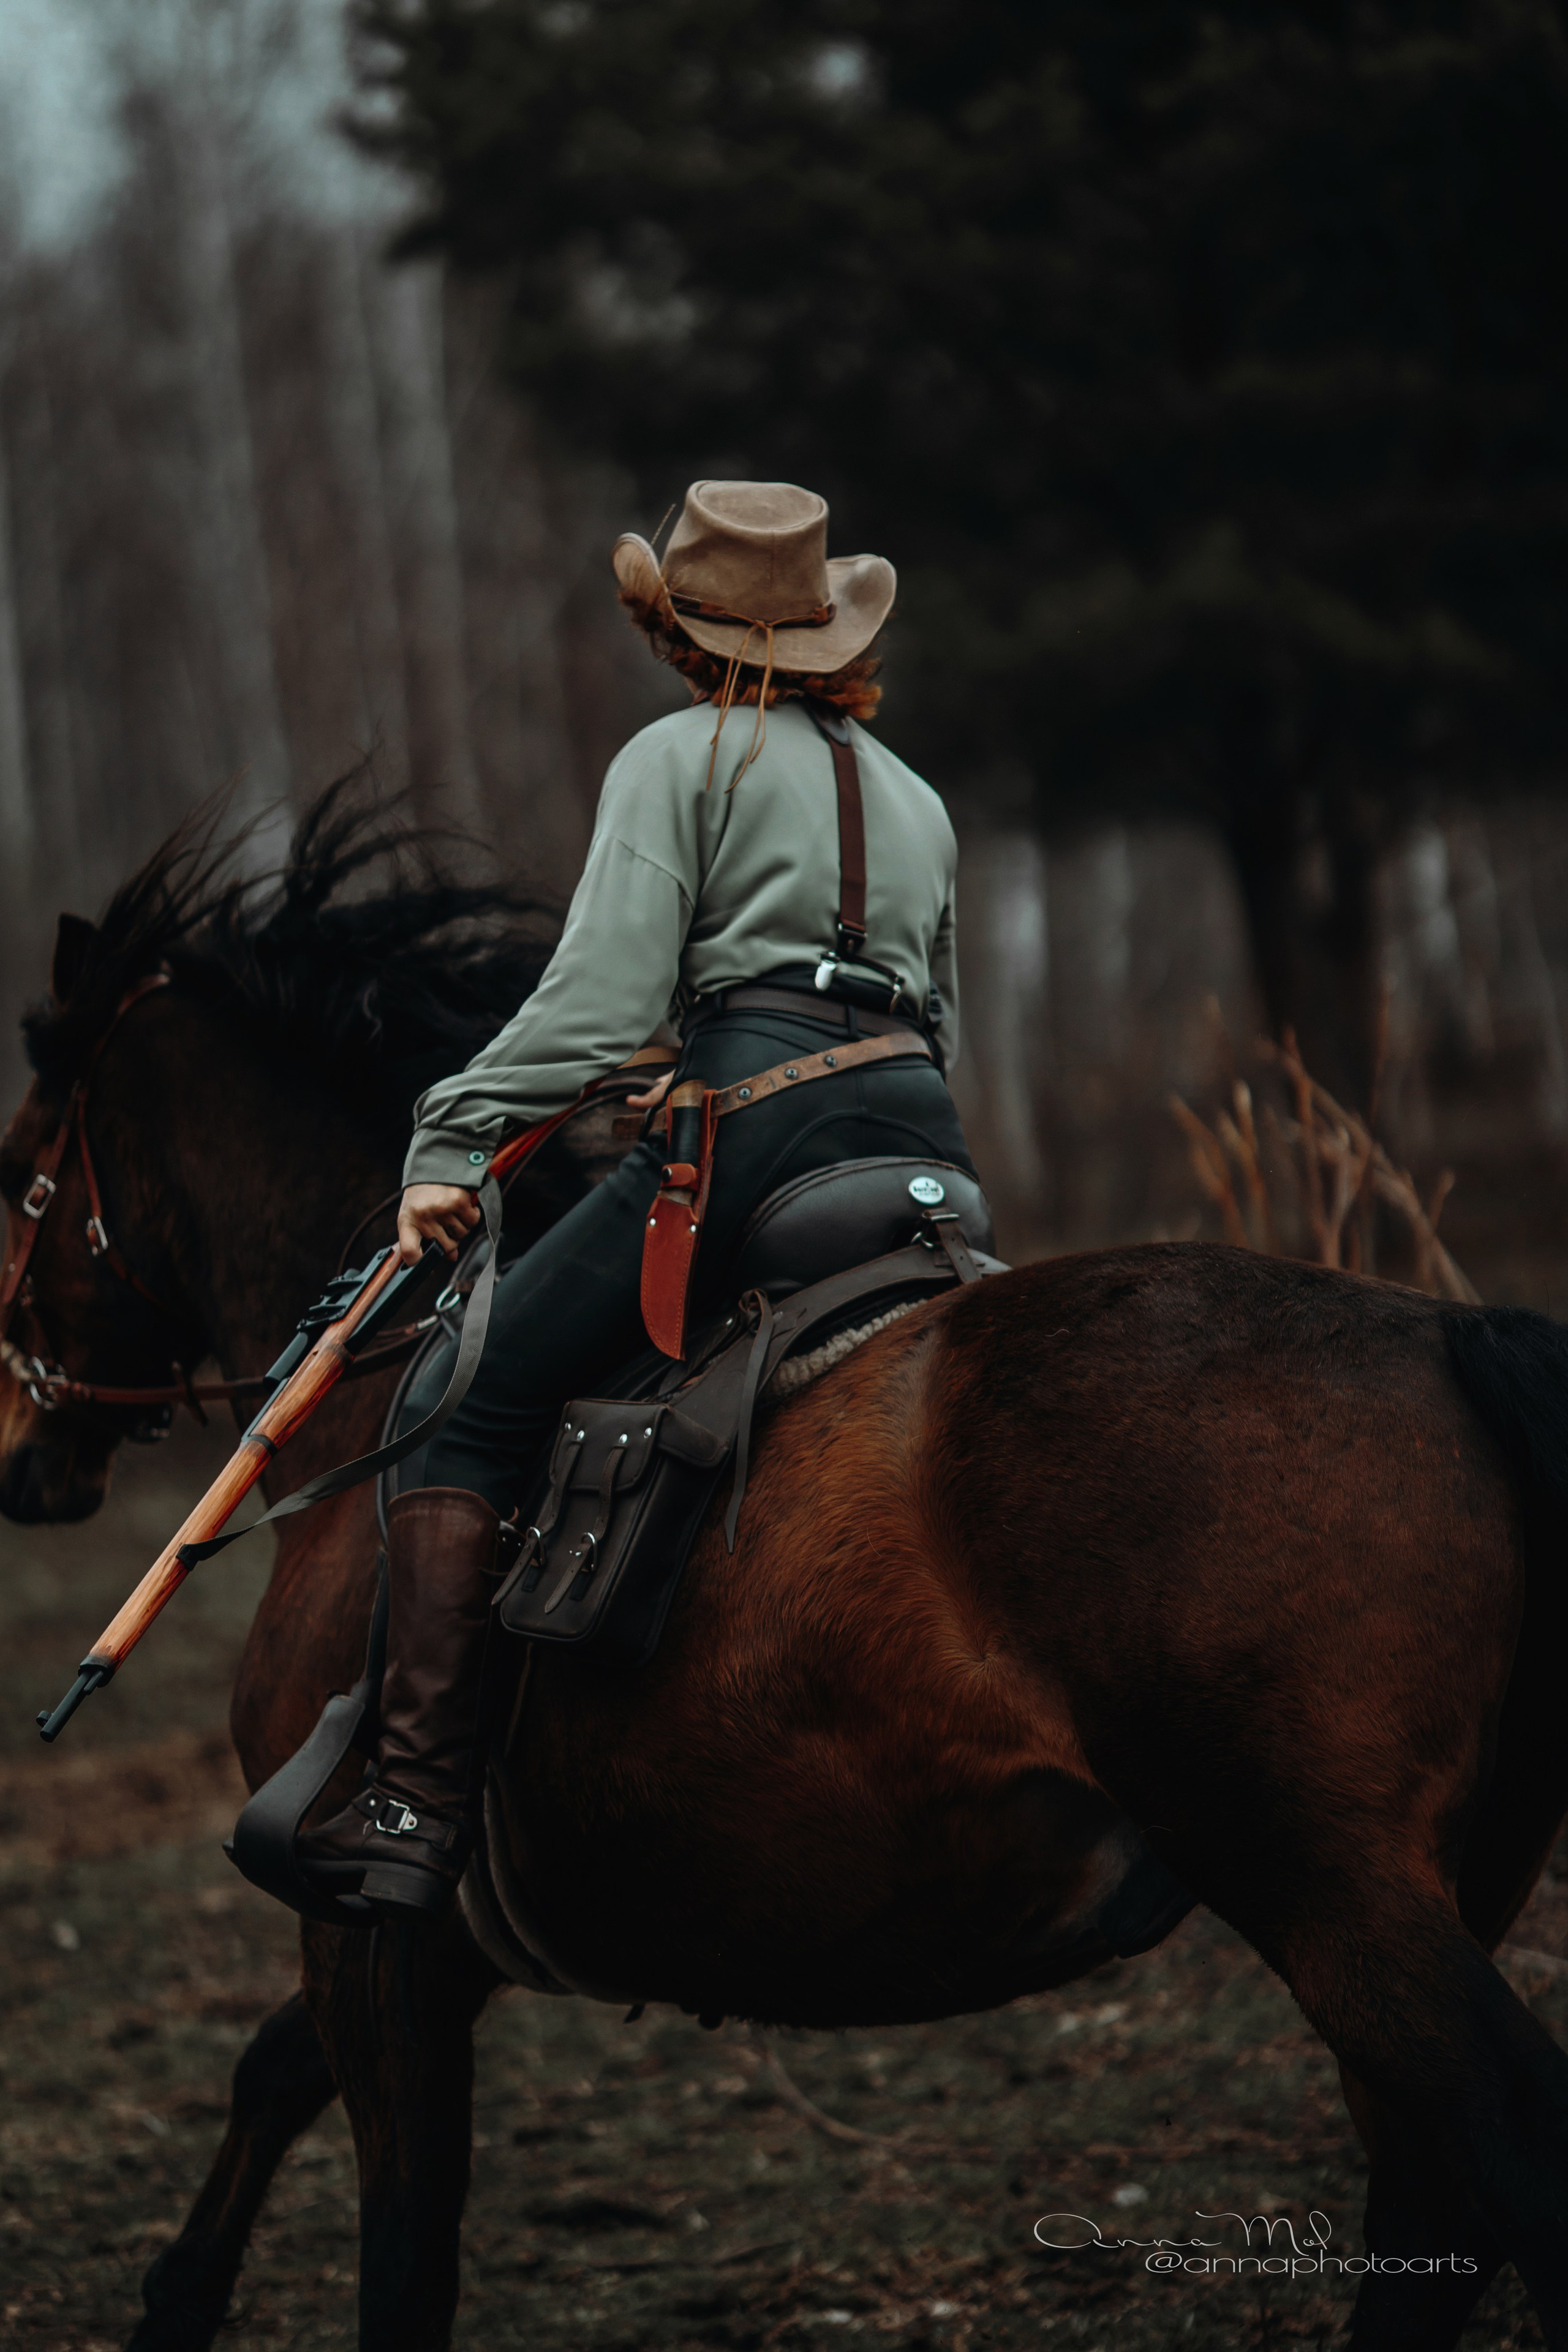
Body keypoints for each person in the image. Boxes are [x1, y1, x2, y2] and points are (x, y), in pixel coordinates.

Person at [296, 478, 977, 1915]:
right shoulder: (913, 797)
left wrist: (451, 1135)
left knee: (455, 1411)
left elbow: (596, 1001)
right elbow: (926, 1018)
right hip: (916, 1152)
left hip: (756, 1139)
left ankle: (412, 1810)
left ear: (681, 632)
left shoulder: (680, 755)